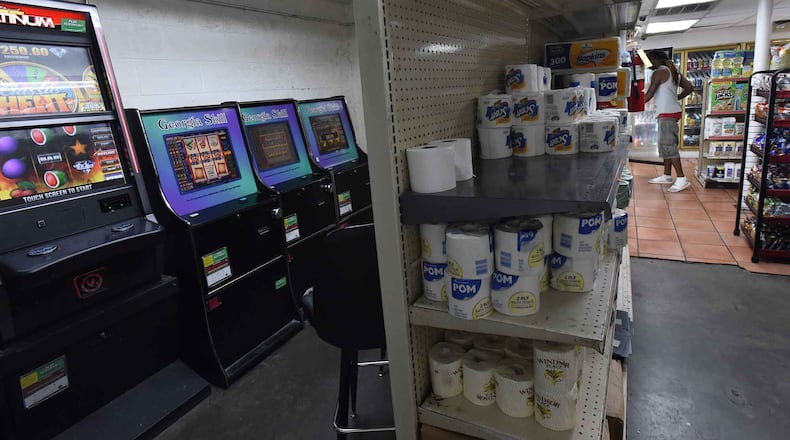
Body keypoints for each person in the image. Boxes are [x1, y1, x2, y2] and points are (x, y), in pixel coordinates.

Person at [644, 49, 695, 192]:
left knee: (668, 144)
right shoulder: (673, 71)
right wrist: (676, 98)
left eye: (648, 60)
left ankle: (681, 178)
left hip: (667, 112)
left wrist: (631, 105)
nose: (647, 63)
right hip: (671, 111)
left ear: (656, 59)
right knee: (665, 143)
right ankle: (667, 175)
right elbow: (689, 88)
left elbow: (649, 94)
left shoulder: (659, 72)